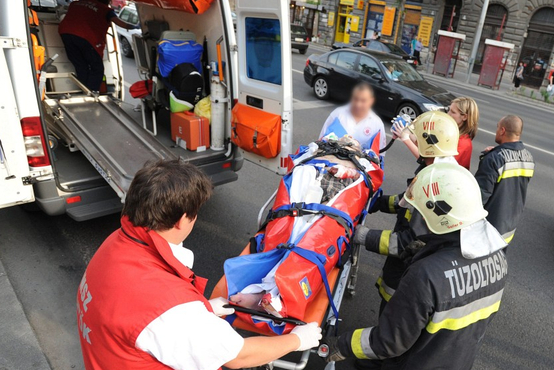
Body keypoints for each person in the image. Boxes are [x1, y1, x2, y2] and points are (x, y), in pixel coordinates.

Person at [76, 160, 322, 370]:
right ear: (183, 220)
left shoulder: (117, 242)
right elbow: (238, 356)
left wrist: (205, 309)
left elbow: (135, 314)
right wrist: (298, 340)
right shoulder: (169, 309)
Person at [324, 162, 509, 370]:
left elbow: (388, 341)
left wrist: (342, 344)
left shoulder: (426, 276)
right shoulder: (498, 257)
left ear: (438, 214)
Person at [351, 112, 460, 370]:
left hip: (410, 267)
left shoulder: (437, 179)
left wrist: (361, 236)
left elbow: (404, 244)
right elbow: (406, 201)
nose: (411, 141)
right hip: (410, 264)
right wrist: (378, 203)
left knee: (396, 321)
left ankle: (382, 359)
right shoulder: (435, 168)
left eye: (417, 138)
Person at [475, 115, 534, 243]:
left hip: (489, 229)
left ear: (502, 130)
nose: (496, 131)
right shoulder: (529, 157)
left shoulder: (493, 159)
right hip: (509, 227)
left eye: (497, 128)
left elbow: (479, 197)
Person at [58, 0, 136, 92]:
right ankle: (92, 93)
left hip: (65, 33)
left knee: (81, 66)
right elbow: (121, 23)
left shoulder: (75, 3)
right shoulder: (106, 10)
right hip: (85, 36)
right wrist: (136, 27)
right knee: (97, 68)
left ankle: (84, 90)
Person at [398, 98, 478, 170]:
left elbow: (432, 162)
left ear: (464, 117)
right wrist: (408, 134)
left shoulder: (463, 143)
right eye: (449, 110)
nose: (448, 114)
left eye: (453, 112)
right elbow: (427, 148)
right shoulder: (450, 133)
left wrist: (406, 139)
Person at [319, 83, 386, 151]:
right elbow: (321, 140)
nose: (358, 104)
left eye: (363, 101)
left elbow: (379, 154)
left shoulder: (377, 124)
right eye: (356, 99)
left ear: (371, 101)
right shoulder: (337, 114)